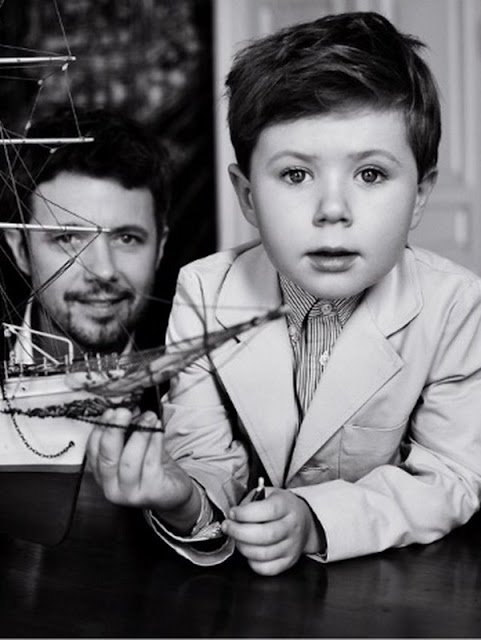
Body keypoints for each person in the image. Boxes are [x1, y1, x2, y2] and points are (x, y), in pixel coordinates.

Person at [87, 11, 481, 575]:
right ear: (248, 196)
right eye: (296, 175)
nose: (332, 210)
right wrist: (182, 498)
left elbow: (450, 475)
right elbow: (206, 461)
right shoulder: (203, 290)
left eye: (371, 174)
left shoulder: (456, 306)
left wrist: (317, 519)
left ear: (419, 195)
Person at [2, 106, 171, 361]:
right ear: (20, 250)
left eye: (126, 238)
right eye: (68, 238)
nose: (103, 271)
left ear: (160, 247)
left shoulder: (200, 367)